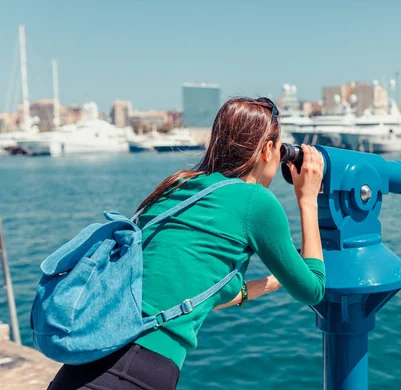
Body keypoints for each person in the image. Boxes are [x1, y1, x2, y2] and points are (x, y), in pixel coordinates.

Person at [48, 97, 326, 389]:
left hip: (86, 357)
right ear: (268, 150)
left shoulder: (178, 187)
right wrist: (307, 200)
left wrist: (271, 283)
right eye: (281, 149)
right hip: (134, 370)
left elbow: (195, 291)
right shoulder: (256, 202)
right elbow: (313, 290)